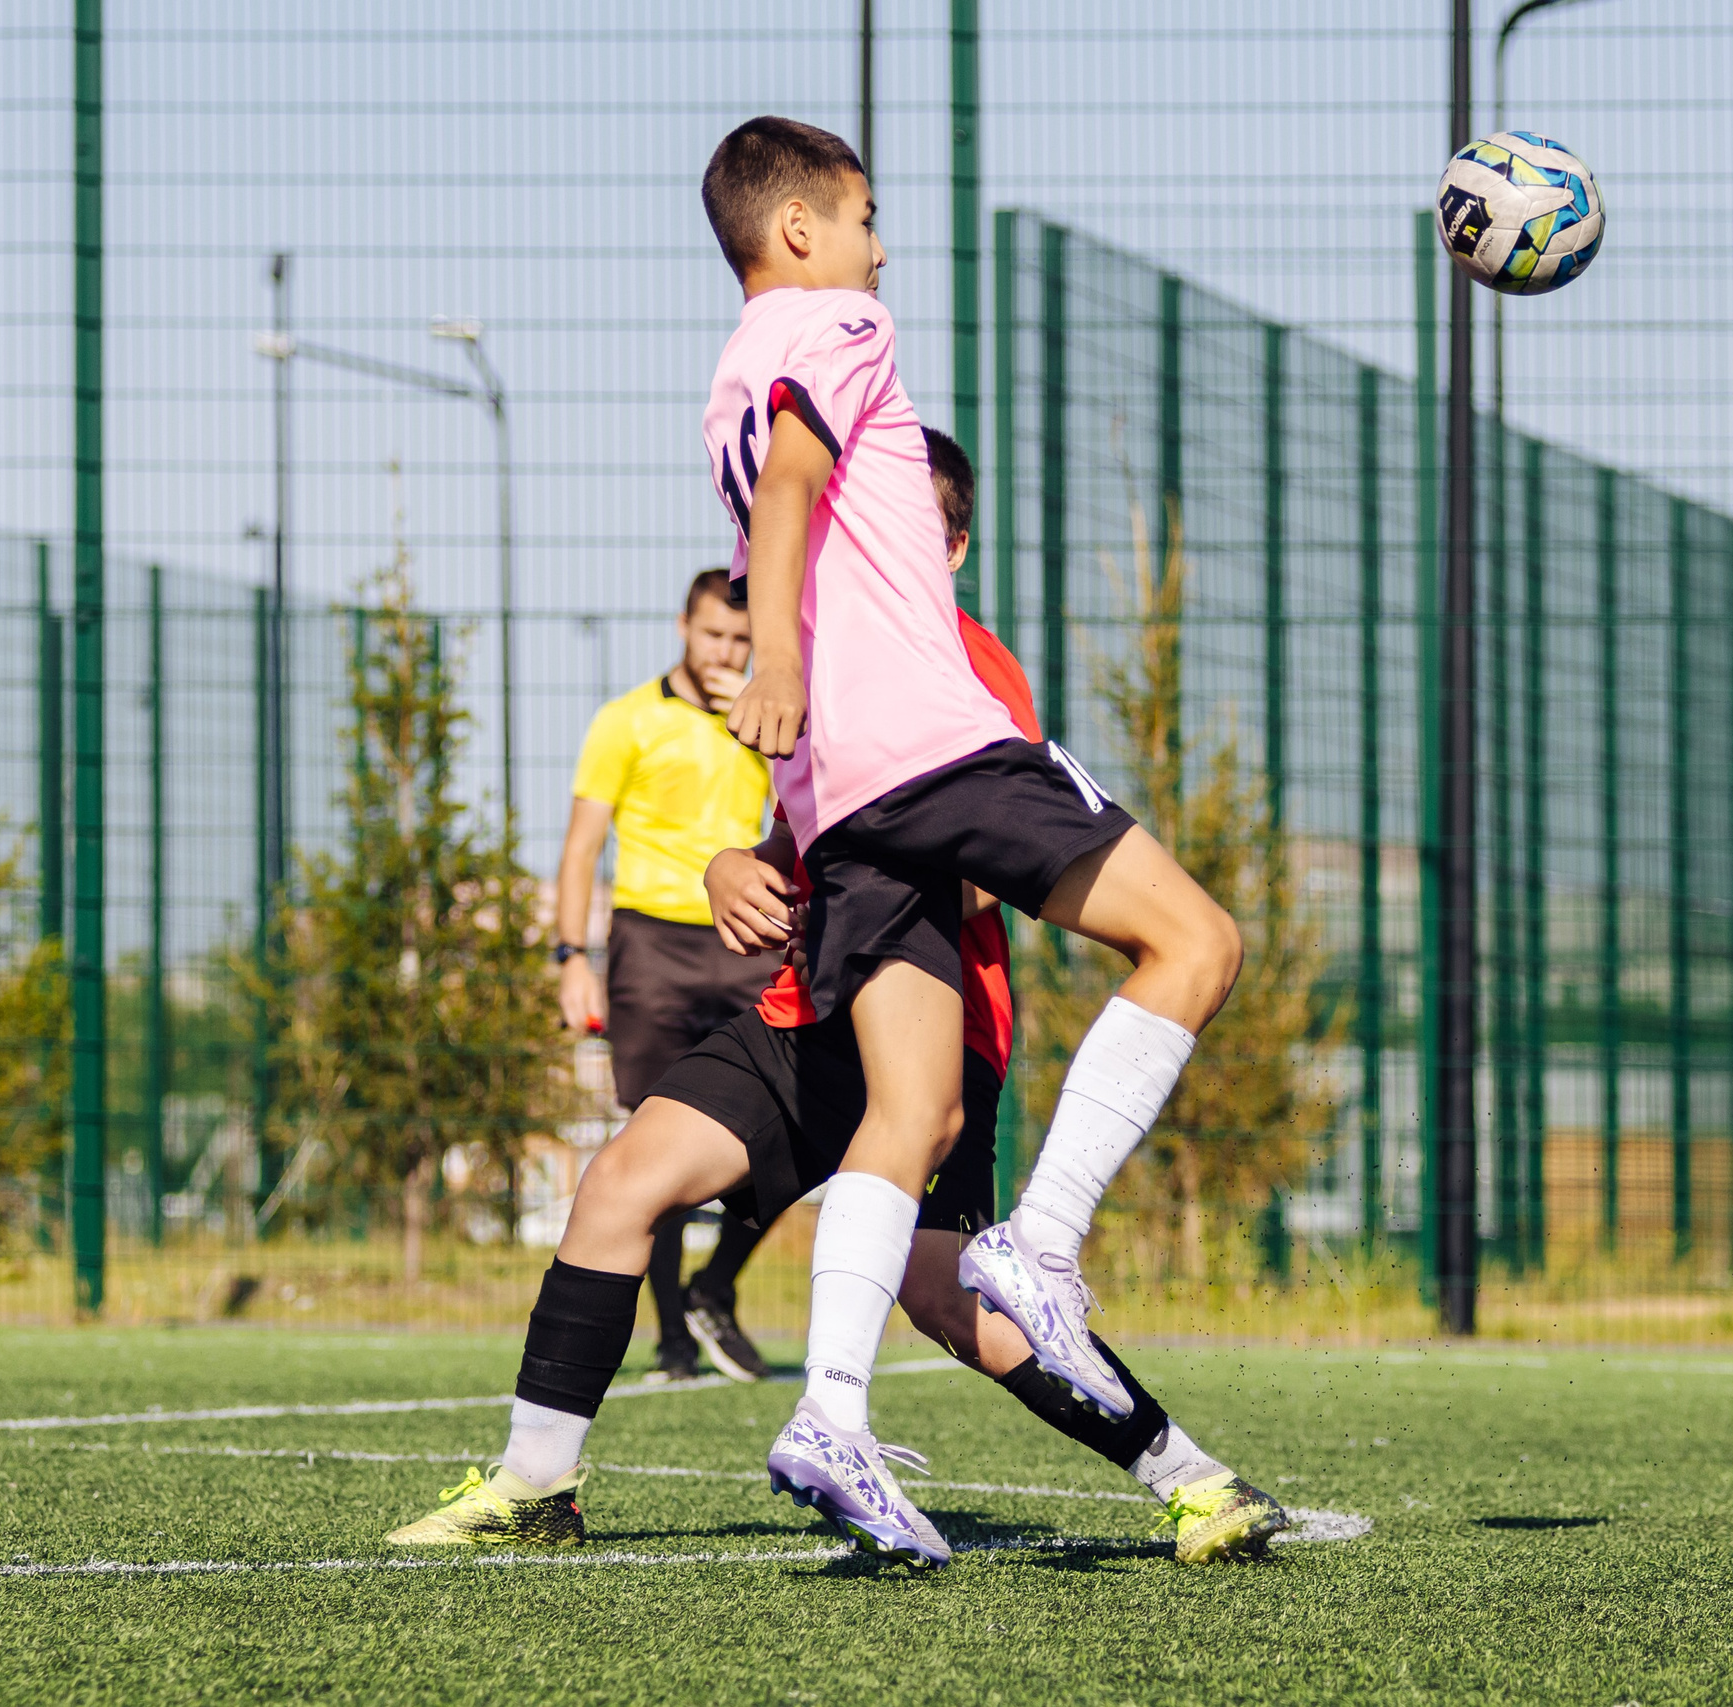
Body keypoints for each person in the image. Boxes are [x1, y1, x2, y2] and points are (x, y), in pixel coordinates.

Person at [386, 430, 1290, 1567]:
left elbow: (969, 852)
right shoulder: (820, 656)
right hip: (805, 1008)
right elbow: (815, 832)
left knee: (952, 1303)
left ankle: (1190, 1480)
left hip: (932, 1020)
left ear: (947, 547)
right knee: (620, 1183)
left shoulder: (965, 670)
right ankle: (534, 1484)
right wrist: (737, 866)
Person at [697, 116, 1243, 1529]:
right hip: (928, 744)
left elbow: (783, 495)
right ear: (801, 233)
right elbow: (802, 488)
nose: (884, 242)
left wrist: (785, 677)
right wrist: (777, 653)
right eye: (866, 213)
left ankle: (831, 1412)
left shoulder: (724, 384)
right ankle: (1043, 1246)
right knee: (1195, 941)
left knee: (912, 1108)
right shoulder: (841, 320)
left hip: (836, 794)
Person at [555, 567, 775, 1382]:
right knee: (656, 1138)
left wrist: (754, 720)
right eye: (715, 633)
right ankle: (674, 1341)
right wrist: (571, 956)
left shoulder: (769, 719)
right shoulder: (625, 720)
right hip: (650, 945)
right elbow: (581, 847)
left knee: (786, 1126)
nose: (726, 650)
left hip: (750, 937)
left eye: (742, 640)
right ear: (683, 624)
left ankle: (715, 1288)